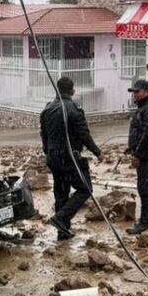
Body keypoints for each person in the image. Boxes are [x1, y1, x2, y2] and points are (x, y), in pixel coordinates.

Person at [40, 76, 102, 240]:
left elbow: (43, 135)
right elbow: (83, 134)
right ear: (72, 90)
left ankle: (63, 231)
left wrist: (48, 152)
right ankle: (61, 218)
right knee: (85, 189)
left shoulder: (47, 109)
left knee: (61, 193)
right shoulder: (74, 109)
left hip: (53, 158)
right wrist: (97, 152)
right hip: (69, 158)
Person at [125, 79, 148, 235]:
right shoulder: (144, 107)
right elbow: (140, 132)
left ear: (147, 91)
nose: (135, 95)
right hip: (145, 153)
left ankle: (146, 222)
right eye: (133, 92)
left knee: (145, 187)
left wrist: (137, 154)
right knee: (147, 186)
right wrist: (131, 147)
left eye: (137, 91)